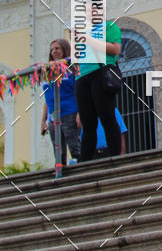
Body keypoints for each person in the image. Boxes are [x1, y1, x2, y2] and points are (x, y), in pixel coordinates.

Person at [74, 17, 122, 161]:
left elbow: (115, 49)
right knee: (87, 123)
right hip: (81, 77)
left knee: (107, 117)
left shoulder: (109, 26)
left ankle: (115, 158)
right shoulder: (82, 31)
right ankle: (85, 162)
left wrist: (88, 39)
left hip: (100, 73)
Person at [40, 38, 80, 164]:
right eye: (52, 50)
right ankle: (60, 172)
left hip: (70, 112)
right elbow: (47, 98)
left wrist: (80, 113)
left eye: (57, 48)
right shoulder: (48, 72)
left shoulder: (72, 68)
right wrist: (43, 120)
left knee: (74, 146)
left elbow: (79, 92)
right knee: (58, 151)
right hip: (53, 116)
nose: (54, 51)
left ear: (64, 49)